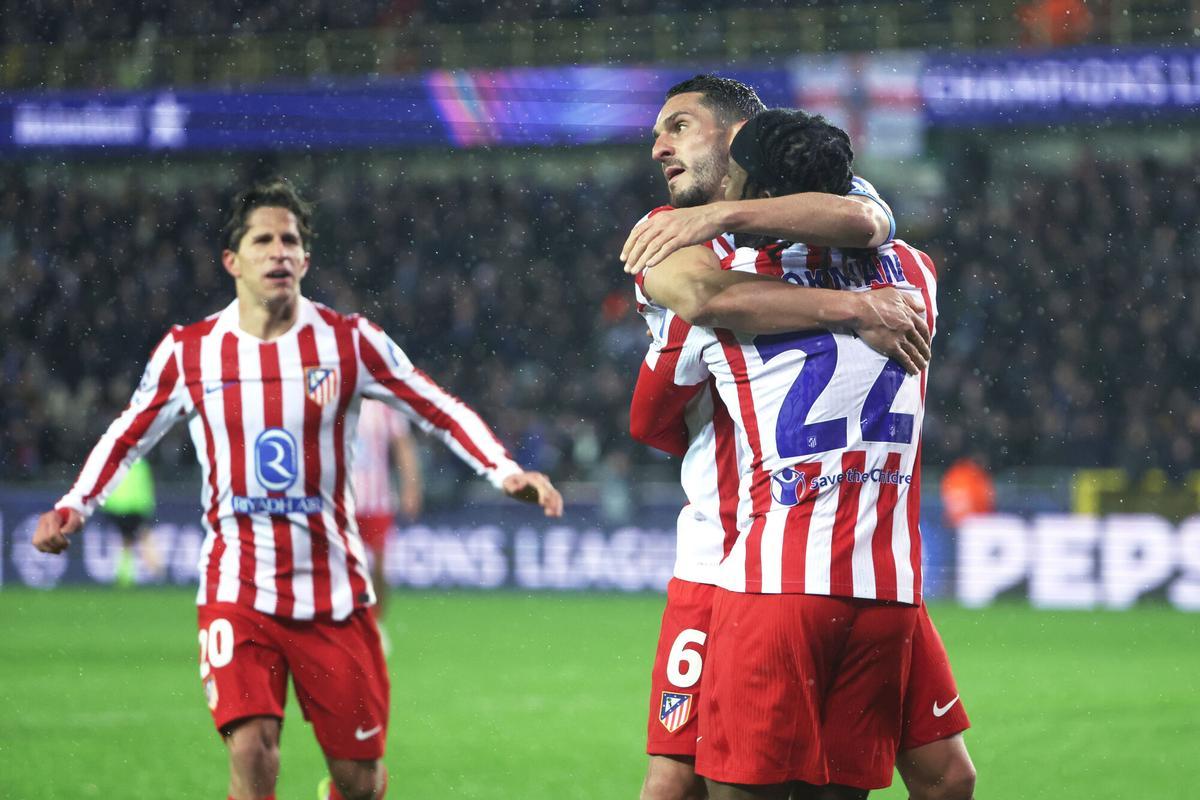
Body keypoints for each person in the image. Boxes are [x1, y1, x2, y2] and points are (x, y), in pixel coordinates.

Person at [32, 178, 563, 800]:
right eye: (263, 240)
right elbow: (128, 434)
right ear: (233, 261)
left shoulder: (350, 342)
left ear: (306, 261)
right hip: (238, 589)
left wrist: (504, 471)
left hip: (333, 594)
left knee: (360, 781)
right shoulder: (190, 352)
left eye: (291, 240)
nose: (279, 251)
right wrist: (74, 504)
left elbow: (435, 405)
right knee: (253, 754)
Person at [629, 81, 973, 800]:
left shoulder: (724, 273)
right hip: (885, 581)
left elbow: (687, 336)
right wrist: (855, 306)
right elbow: (867, 222)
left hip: (768, 572)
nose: (658, 145)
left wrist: (727, 219)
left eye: (679, 126)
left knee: (724, 788)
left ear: (738, 156)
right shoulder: (918, 276)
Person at [352, 397, 423, 635]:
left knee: (380, 567)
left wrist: (411, 486)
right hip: (338, 501)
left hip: (376, 499)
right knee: (339, 566)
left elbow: (403, 444)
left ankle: (376, 622)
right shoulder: (334, 396)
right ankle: (343, 623)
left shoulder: (384, 403)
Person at [100, 457, 164, 586]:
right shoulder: (141, 464)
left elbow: (105, 484)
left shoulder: (113, 461)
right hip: (135, 508)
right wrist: (148, 507)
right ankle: (157, 573)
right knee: (145, 538)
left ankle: (124, 576)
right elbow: (145, 487)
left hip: (117, 507)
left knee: (126, 542)